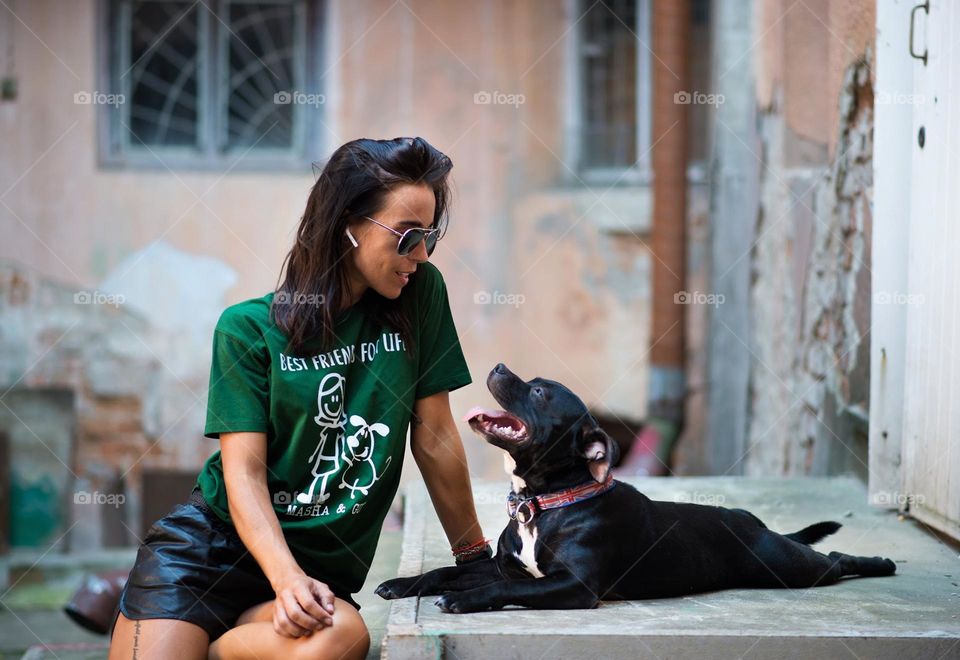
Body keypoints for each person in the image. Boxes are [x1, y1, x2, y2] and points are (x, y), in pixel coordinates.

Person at [109, 137, 489, 660]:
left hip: (315, 573)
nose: (420, 255)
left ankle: (218, 648)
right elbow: (244, 473)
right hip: (207, 556)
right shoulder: (246, 329)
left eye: (429, 236)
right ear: (347, 226)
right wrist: (284, 579)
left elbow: (436, 434)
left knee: (341, 639)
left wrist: (476, 559)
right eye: (406, 237)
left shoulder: (419, 296)